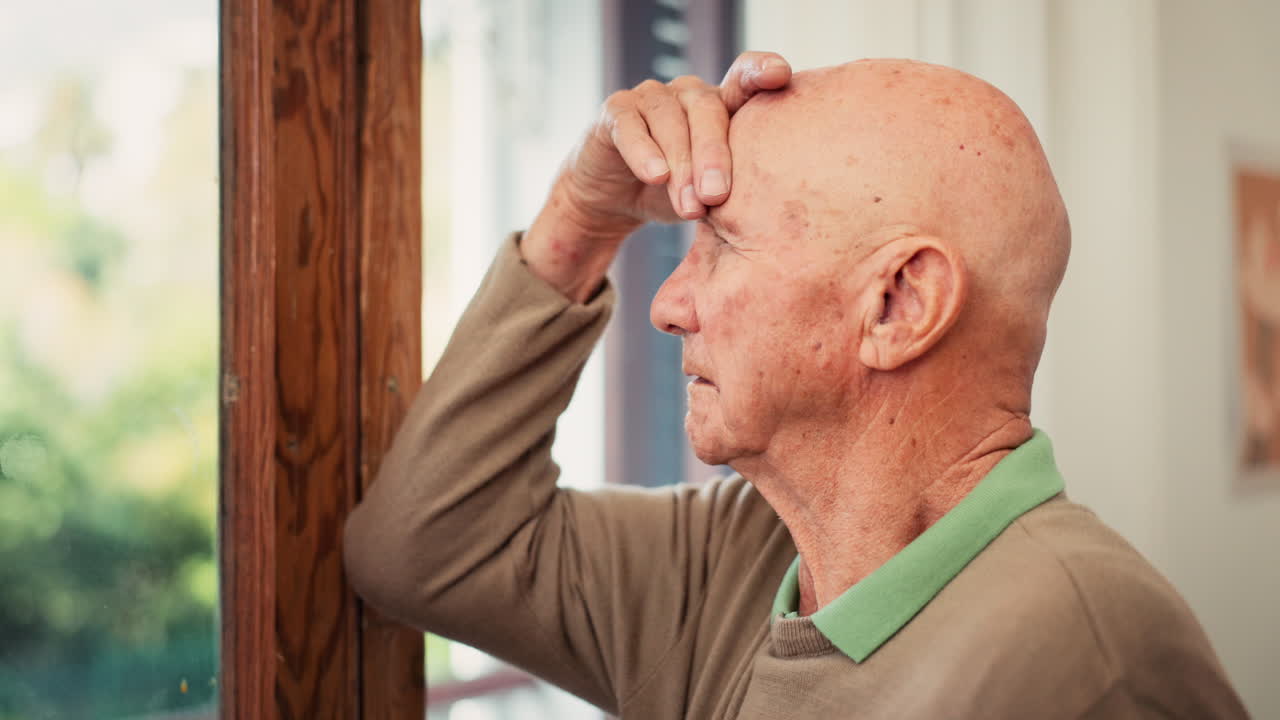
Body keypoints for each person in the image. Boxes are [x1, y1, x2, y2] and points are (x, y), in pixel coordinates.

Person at [343, 51, 1248, 718]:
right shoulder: (742, 557)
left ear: (898, 305)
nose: (665, 304)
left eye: (724, 243)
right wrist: (583, 217)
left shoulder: (1085, 658)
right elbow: (422, 549)